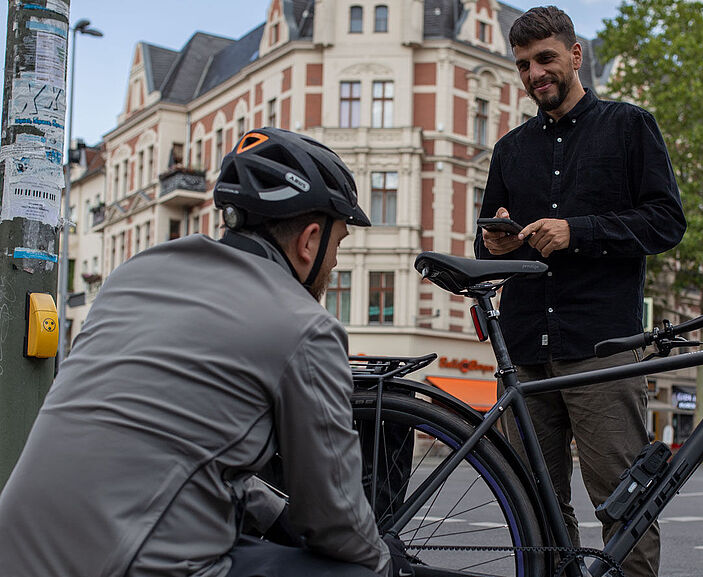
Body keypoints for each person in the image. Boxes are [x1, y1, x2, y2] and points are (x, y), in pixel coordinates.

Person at [0, 128, 412, 577]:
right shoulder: (304, 327)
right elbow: (334, 520)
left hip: (18, 551)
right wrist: (385, 563)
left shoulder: (134, 275)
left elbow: (172, 447)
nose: (333, 262)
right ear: (309, 240)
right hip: (125, 566)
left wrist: (275, 516)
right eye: (338, 245)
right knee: (362, 572)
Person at [474, 7, 686, 577]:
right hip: (525, 349)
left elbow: (667, 222)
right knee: (537, 512)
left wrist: (579, 230)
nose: (534, 74)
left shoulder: (628, 125)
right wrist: (495, 243)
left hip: (600, 347)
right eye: (522, 65)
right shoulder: (509, 150)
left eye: (544, 59)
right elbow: (490, 237)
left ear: (575, 55)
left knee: (626, 505)